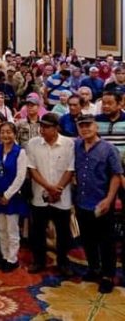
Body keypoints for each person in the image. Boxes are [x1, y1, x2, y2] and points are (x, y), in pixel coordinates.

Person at [74, 114, 123, 293]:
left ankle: (108, 275)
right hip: (81, 202)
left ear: (96, 127)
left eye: (88, 125)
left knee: (106, 242)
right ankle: (94, 268)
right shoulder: (77, 146)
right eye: (81, 126)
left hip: (102, 203)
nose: (85, 129)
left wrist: (109, 200)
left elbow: (116, 175)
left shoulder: (109, 149)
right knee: (87, 240)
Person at [26, 113, 75, 277]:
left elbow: (70, 169)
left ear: (56, 128)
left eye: (47, 127)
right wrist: (48, 187)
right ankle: (39, 261)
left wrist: (58, 189)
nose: (42, 130)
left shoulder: (68, 144)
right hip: (40, 195)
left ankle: (63, 262)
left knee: (63, 232)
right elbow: (32, 169)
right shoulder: (33, 144)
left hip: (62, 197)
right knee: (38, 231)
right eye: (41, 126)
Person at [0, 122, 28, 272]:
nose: (5, 135)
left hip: (12, 197)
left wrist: (8, 194)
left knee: (12, 228)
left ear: (14, 134)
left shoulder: (20, 152)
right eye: (3, 132)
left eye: (9, 132)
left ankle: (12, 258)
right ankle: (4, 256)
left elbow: (21, 176)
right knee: (1, 228)